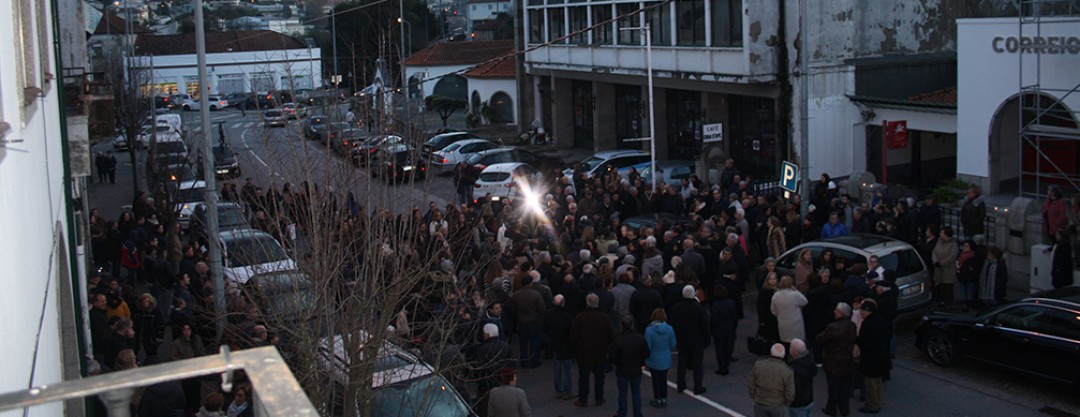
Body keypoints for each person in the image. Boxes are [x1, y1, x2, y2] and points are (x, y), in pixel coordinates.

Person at [571, 293, 615, 407]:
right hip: (600, 351)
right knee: (600, 377)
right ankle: (599, 398)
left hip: (583, 352)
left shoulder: (580, 317)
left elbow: (574, 336)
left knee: (583, 377)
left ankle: (583, 399)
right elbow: (611, 335)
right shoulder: (604, 317)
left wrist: (575, 349)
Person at [816, 302, 857, 417]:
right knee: (844, 387)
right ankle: (844, 409)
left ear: (841, 313)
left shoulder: (833, 327)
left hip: (833, 361)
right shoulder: (852, 325)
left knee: (833, 388)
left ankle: (831, 409)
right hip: (847, 360)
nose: (834, 312)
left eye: (837, 311)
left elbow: (820, 339)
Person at [670, 284, 709, 395]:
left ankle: (681, 384)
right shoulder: (699, 308)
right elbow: (704, 326)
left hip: (682, 339)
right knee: (698, 364)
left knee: (681, 363)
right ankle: (697, 386)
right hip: (697, 340)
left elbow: (673, 323)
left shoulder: (677, 307)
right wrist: (706, 340)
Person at [611, 318, 650, 417]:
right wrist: (641, 362)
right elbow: (647, 353)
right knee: (636, 393)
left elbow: (612, 357)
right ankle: (637, 414)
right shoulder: (640, 338)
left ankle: (622, 413)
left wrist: (618, 363)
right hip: (636, 369)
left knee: (622, 393)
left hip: (622, 370)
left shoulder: (618, 340)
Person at [856, 301, 889, 414]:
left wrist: (857, 340)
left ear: (868, 311)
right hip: (879, 356)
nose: (861, 312)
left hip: (871, 358)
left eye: (862, 310)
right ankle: (876, 402)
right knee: (877, 382)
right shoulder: (879, 320)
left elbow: (865, 342)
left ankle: (873, 405)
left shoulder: (869, 324)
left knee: (871, 383)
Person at [747, 343, 795, 417]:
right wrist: (786, 403)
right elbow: (790, 393)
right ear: (784, 354)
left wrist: (754, 395)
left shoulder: (759, 365)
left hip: (760, 402)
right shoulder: (787, 371)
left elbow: (751, 383)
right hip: (778, 405)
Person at [543, 295, 575, 400]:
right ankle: (567, 391)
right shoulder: (567, 316)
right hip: (566, 345)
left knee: (557, 369)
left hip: (555, 344)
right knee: (567, 370)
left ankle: (558, 390)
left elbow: (545, 328)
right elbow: (571, 331)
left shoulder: (549, 315)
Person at [512, 273, 546, 368]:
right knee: (535, 342)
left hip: (522, 321)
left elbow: (514, 308)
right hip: (534, 321)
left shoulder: (516, 295)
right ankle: (534, 360)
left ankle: (524, 360)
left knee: (523, 343)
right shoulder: (536, 295)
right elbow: (542, 309)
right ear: (530, 283)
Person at [644, 308, 676, 408]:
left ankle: (657, 398)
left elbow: (648, 346)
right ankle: (663, 398)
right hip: (665, 358)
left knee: (656, 380)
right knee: (663, 379)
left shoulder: (649, 330)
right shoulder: (670, 329)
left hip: (653, 359)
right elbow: (673, 344)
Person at [710, 284, 738, 376]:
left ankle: (721, 367)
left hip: (718, 331)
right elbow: (735, 317)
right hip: (729, 329)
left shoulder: (715, 305)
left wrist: (712, 328)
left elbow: (714, 319)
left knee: (720, 350)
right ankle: (726, 365)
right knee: (728, 348)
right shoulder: (731, 303)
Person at [771, 276, 808, 344]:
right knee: (797, 344)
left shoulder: (776, 295)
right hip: (796, 323)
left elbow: (773, 311)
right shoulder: (795, 294)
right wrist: (796, 290)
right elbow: (804, 301)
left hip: (783, 323)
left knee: (785, 343)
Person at [787, 339, 817, 417]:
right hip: (809, 399)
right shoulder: (809, 360)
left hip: (798, 404)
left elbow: (795, 390)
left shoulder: (794, 369)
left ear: (795, 352)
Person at [932, 227, 959, 303]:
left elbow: (952, 256)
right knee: (939, 289)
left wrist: (942, 263)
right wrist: (935, 261)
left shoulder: (953, 244)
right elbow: (934, 252)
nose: (940, 234)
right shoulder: (939, 242)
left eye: (942, 233)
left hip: (948, 271)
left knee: (948, 291)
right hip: (938, 271)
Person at [757, 272, 780, 342]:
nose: (772, 281)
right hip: (768, 318)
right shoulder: (764, 291)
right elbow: (760, 306)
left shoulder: (779, 290)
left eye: (774, 279)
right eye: (770, 279)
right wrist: (762, 320)